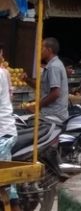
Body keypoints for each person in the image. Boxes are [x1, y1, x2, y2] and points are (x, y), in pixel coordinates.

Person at [0, 59, 20, 210]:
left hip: (3, 134)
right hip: (6, 130)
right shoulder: (4, 72)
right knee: (7, 182)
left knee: (3, 182)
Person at [37, 37, 69, 123]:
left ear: (49, 50)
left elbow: (55, 93)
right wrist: (27, 80)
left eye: (42, 48)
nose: (40, 51)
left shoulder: (53, 66)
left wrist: (38, 105)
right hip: (53, 113)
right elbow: (43, 86)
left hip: (53, 115)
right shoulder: (52, 65)